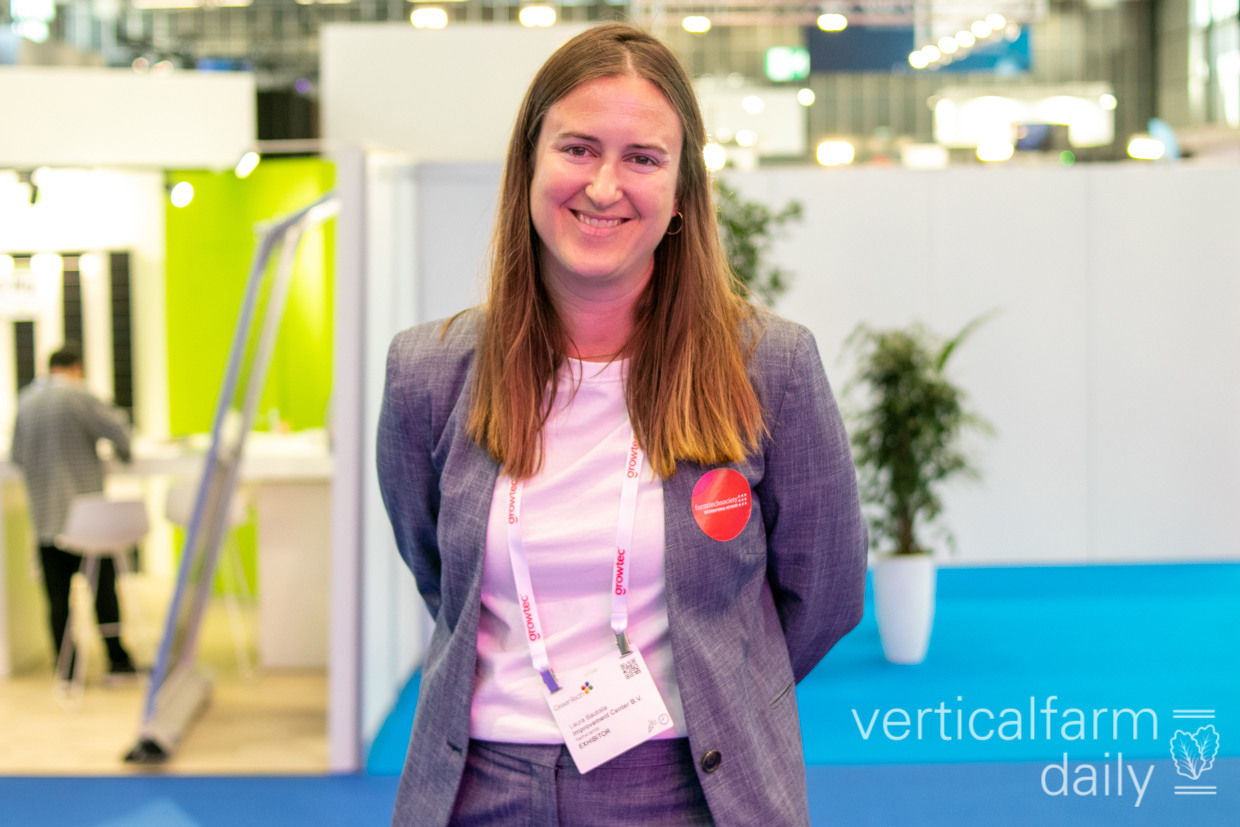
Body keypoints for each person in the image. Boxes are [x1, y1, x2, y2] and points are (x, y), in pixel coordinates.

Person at [376, 23, 867, 826]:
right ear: (528, 166)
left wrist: (724, 678)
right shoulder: (428, 374)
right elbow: (439, 578)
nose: (604, 186)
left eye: (642, 158)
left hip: (687, 786)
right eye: (577, 149)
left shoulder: (767, 367)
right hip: (479, 789)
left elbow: (826, 592)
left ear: (681, 193)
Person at [9, 345, 138, 683]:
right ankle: (118, 661)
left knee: (57, 599)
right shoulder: (80, 397)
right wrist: (123, 453)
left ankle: (66, 669)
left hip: (46, 520)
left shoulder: (26, 401)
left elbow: (17, 455)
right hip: (86, 519)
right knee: (103, 591)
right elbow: (121, 435)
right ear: (77, 367)